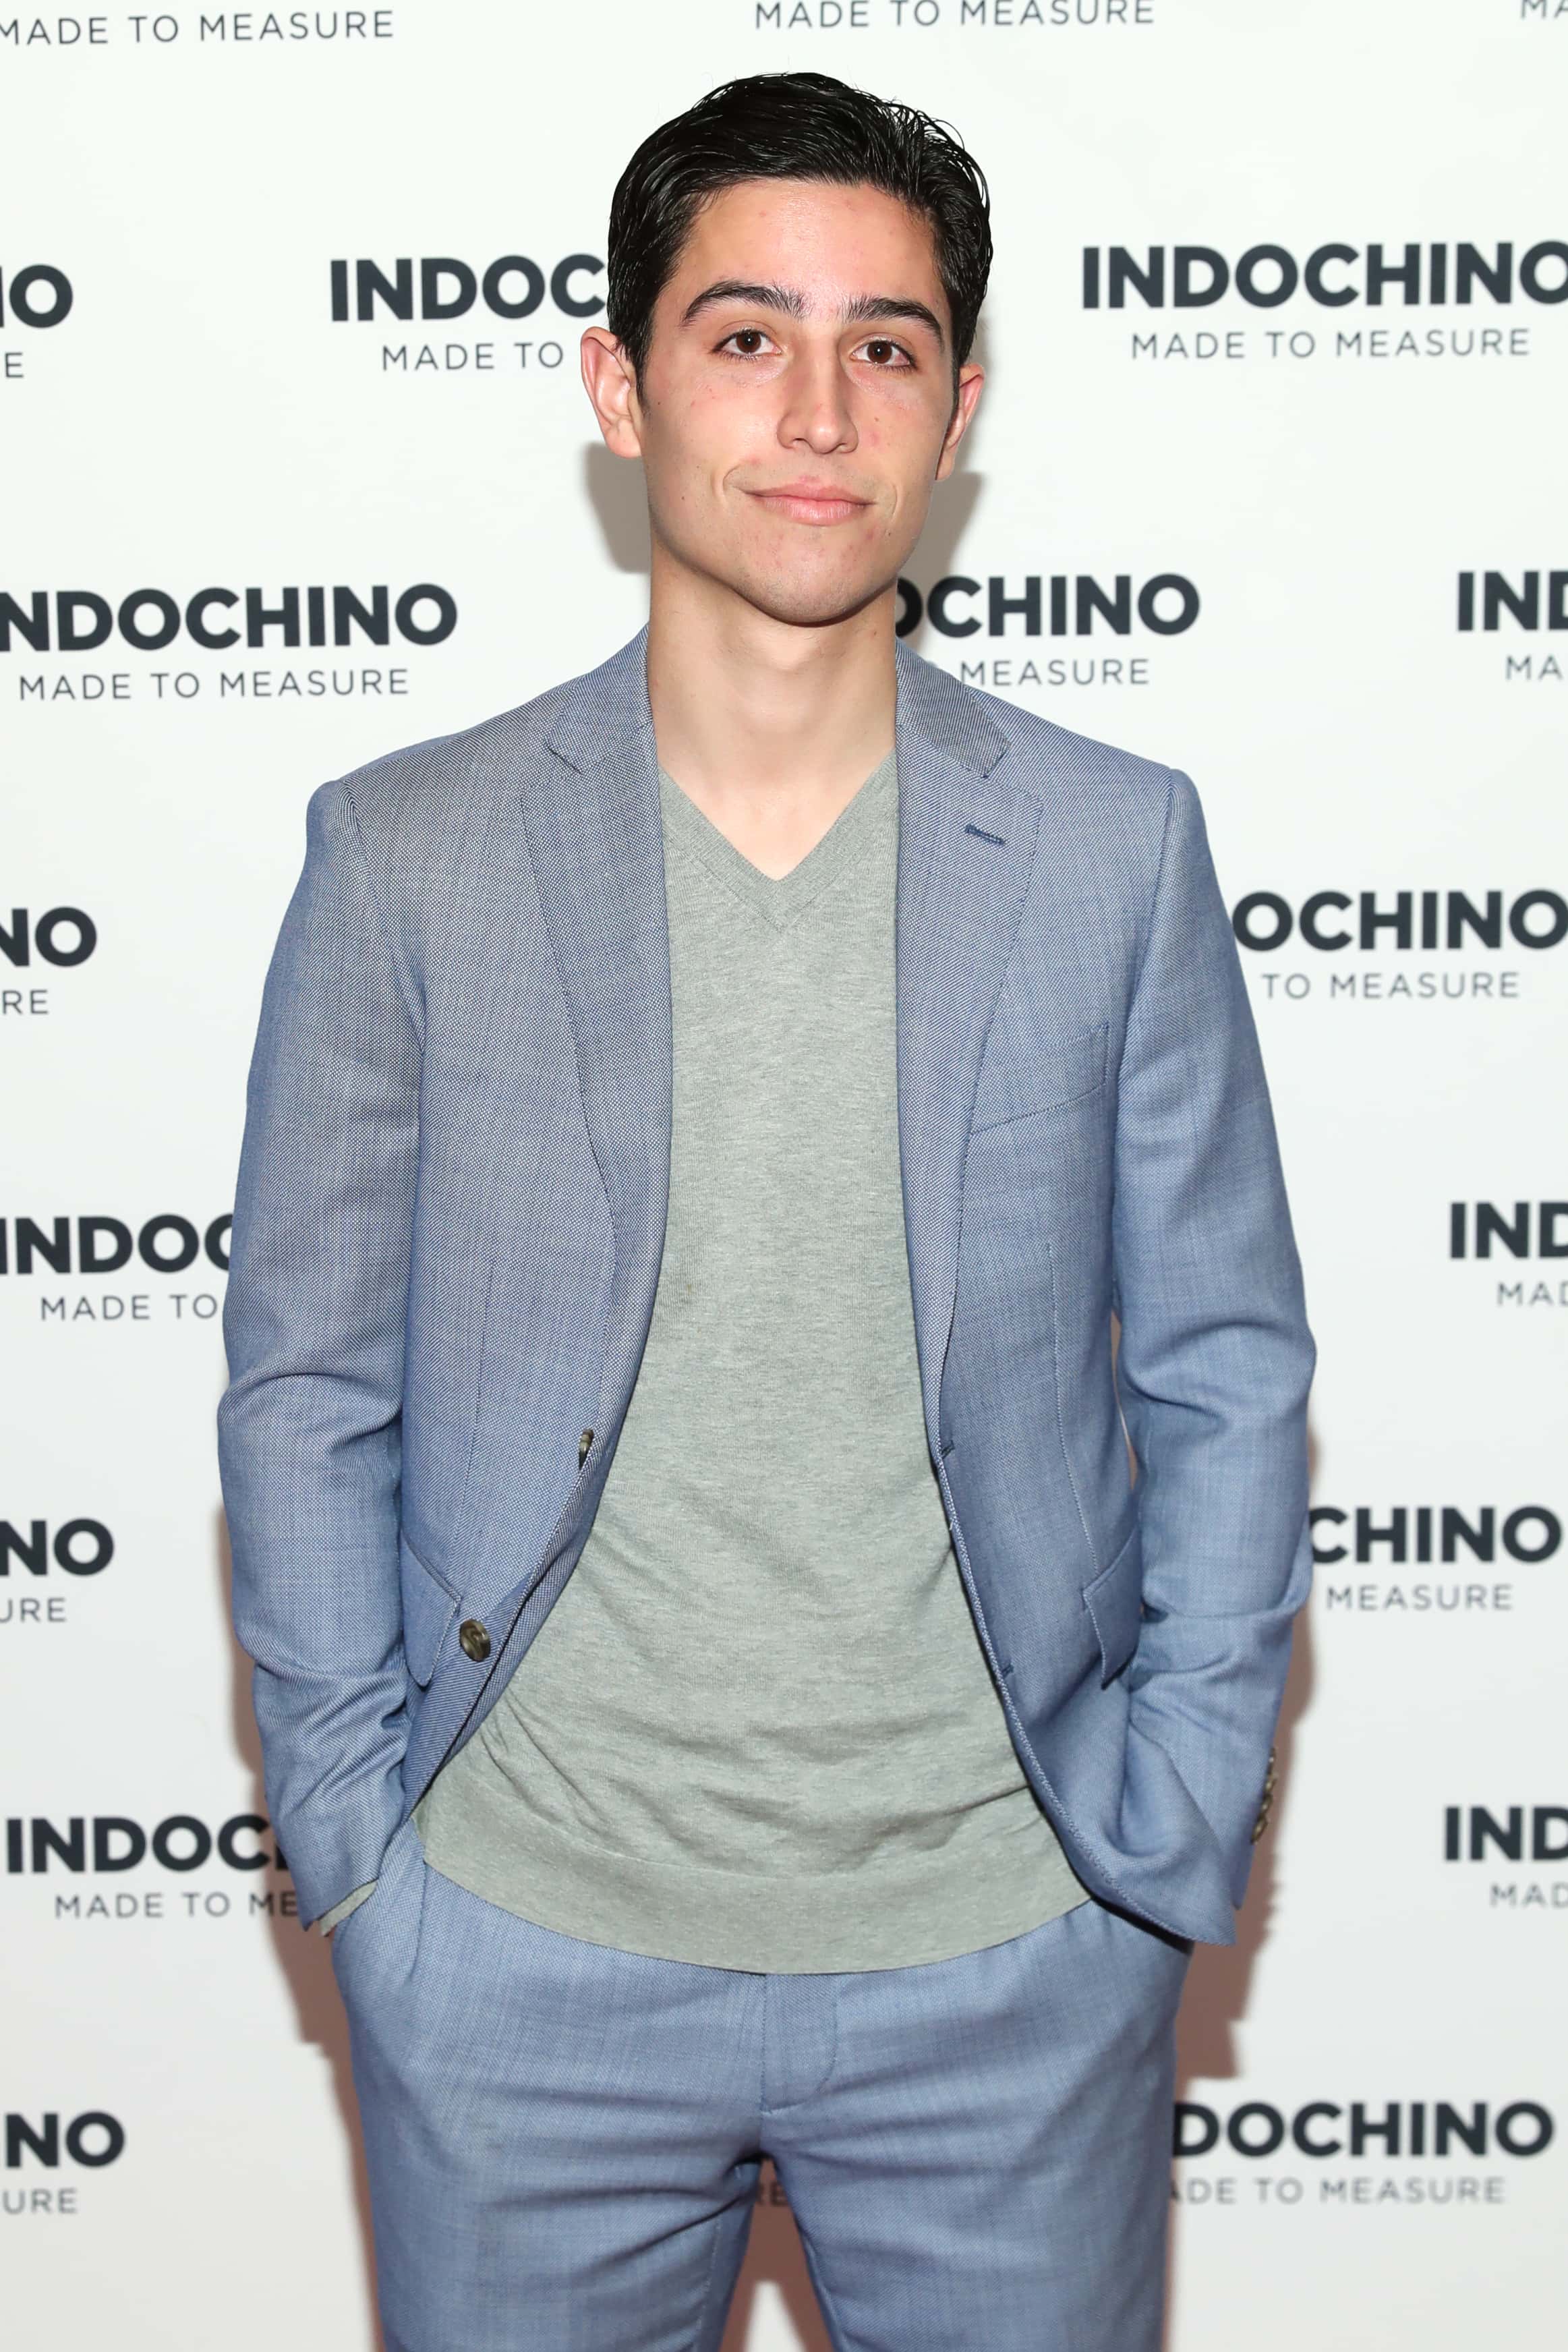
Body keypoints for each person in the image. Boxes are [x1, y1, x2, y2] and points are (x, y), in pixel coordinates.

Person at [218, 68, 1314, 2352]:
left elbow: (1227, 1371)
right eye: (744, 337)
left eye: (885, 346)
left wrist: (1164, 1831)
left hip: (1013, 1964)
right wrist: (366, 1854)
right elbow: (306, 1389)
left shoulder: (1116, 852)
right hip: (516, 1962)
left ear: (959, 410)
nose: (818, 412)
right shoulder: (406, 855)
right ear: (620, 386)